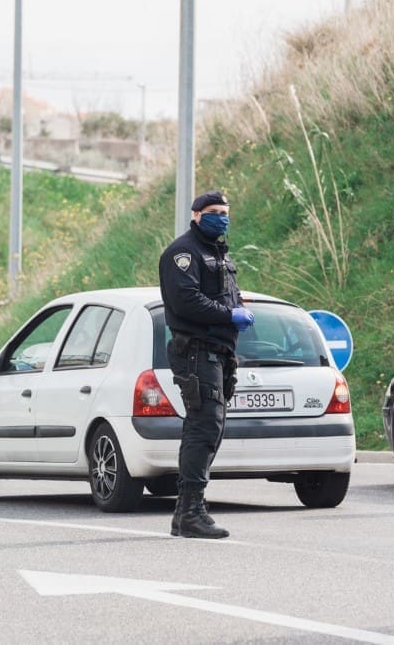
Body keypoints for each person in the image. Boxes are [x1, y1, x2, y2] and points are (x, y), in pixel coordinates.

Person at [158, 190, 254, 538]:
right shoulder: (183, 253)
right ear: (196, 215)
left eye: (225, 212)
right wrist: (229, 313)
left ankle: (185, 513)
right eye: (213, 212)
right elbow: (186, 302)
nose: (221, 218)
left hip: (217, 351)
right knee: (204, 426)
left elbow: (219, 292)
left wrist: (237, 301)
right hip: (196, 351)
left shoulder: (217, 253)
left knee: (209, 427)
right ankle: (192, 512)